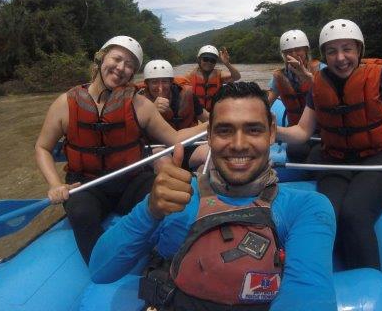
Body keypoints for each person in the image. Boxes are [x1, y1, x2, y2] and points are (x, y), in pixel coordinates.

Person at [89, 82, 337, 310]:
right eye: (224, 131)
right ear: (208, 136)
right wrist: (150, 211)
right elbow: (101, 271)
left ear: (271, 133)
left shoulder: (306, 207)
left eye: (253, 130)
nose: (238, 144)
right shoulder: (175, 195)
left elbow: (307, 294)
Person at [277, 19, 382, 270]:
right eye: (332, 51)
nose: (340, 58)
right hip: (335, 160)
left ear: (359, 50)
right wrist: (272, 132)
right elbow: (302, 132)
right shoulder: (318, 85)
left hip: (380, 158)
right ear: (324, 55)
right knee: (326, 215)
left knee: (354, 214)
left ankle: (369, 280)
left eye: (347, 49)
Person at [35, 36, 207, 265]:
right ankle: (101, 264)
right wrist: (55, 184)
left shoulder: (140, 105)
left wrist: (211, 123)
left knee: (171, 200)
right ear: (101, 58)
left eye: (129, 65)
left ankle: (165, 259)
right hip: (86, 185)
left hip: (131, 181)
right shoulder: (65, 104)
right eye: (116, 59)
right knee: (81, 213)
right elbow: (43, 147)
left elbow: (174, 138)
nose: (121, 68)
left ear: (133, 73)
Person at [267, 29, 325, 162]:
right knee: (295, 151)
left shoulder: (321, 69)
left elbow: (333, 94)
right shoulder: (280, 76)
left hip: (322, 128)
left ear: (306, 50)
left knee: (317, 156)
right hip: (296, 128)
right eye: (288, 51)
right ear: (283, 54)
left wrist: (308, 78)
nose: (293, 54)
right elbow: (268, 101)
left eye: (298, 49)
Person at [139, 59, 209, 129]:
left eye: (164, 81)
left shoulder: (187, 94)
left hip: (189, 135)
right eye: (154, 82)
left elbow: (205, 118)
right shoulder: (139, 102)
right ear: (147, 84)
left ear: (171, 82)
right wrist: (151, 111)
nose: (160, 88)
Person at [184, 45, 241, 112]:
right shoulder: (189, 76)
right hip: (196, 113)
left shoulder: (219, 74)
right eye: (205, 59)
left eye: (212, 60)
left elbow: (237, 77)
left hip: (214, 113)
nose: (209, 63)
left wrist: (227, 64)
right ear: (199, 60)